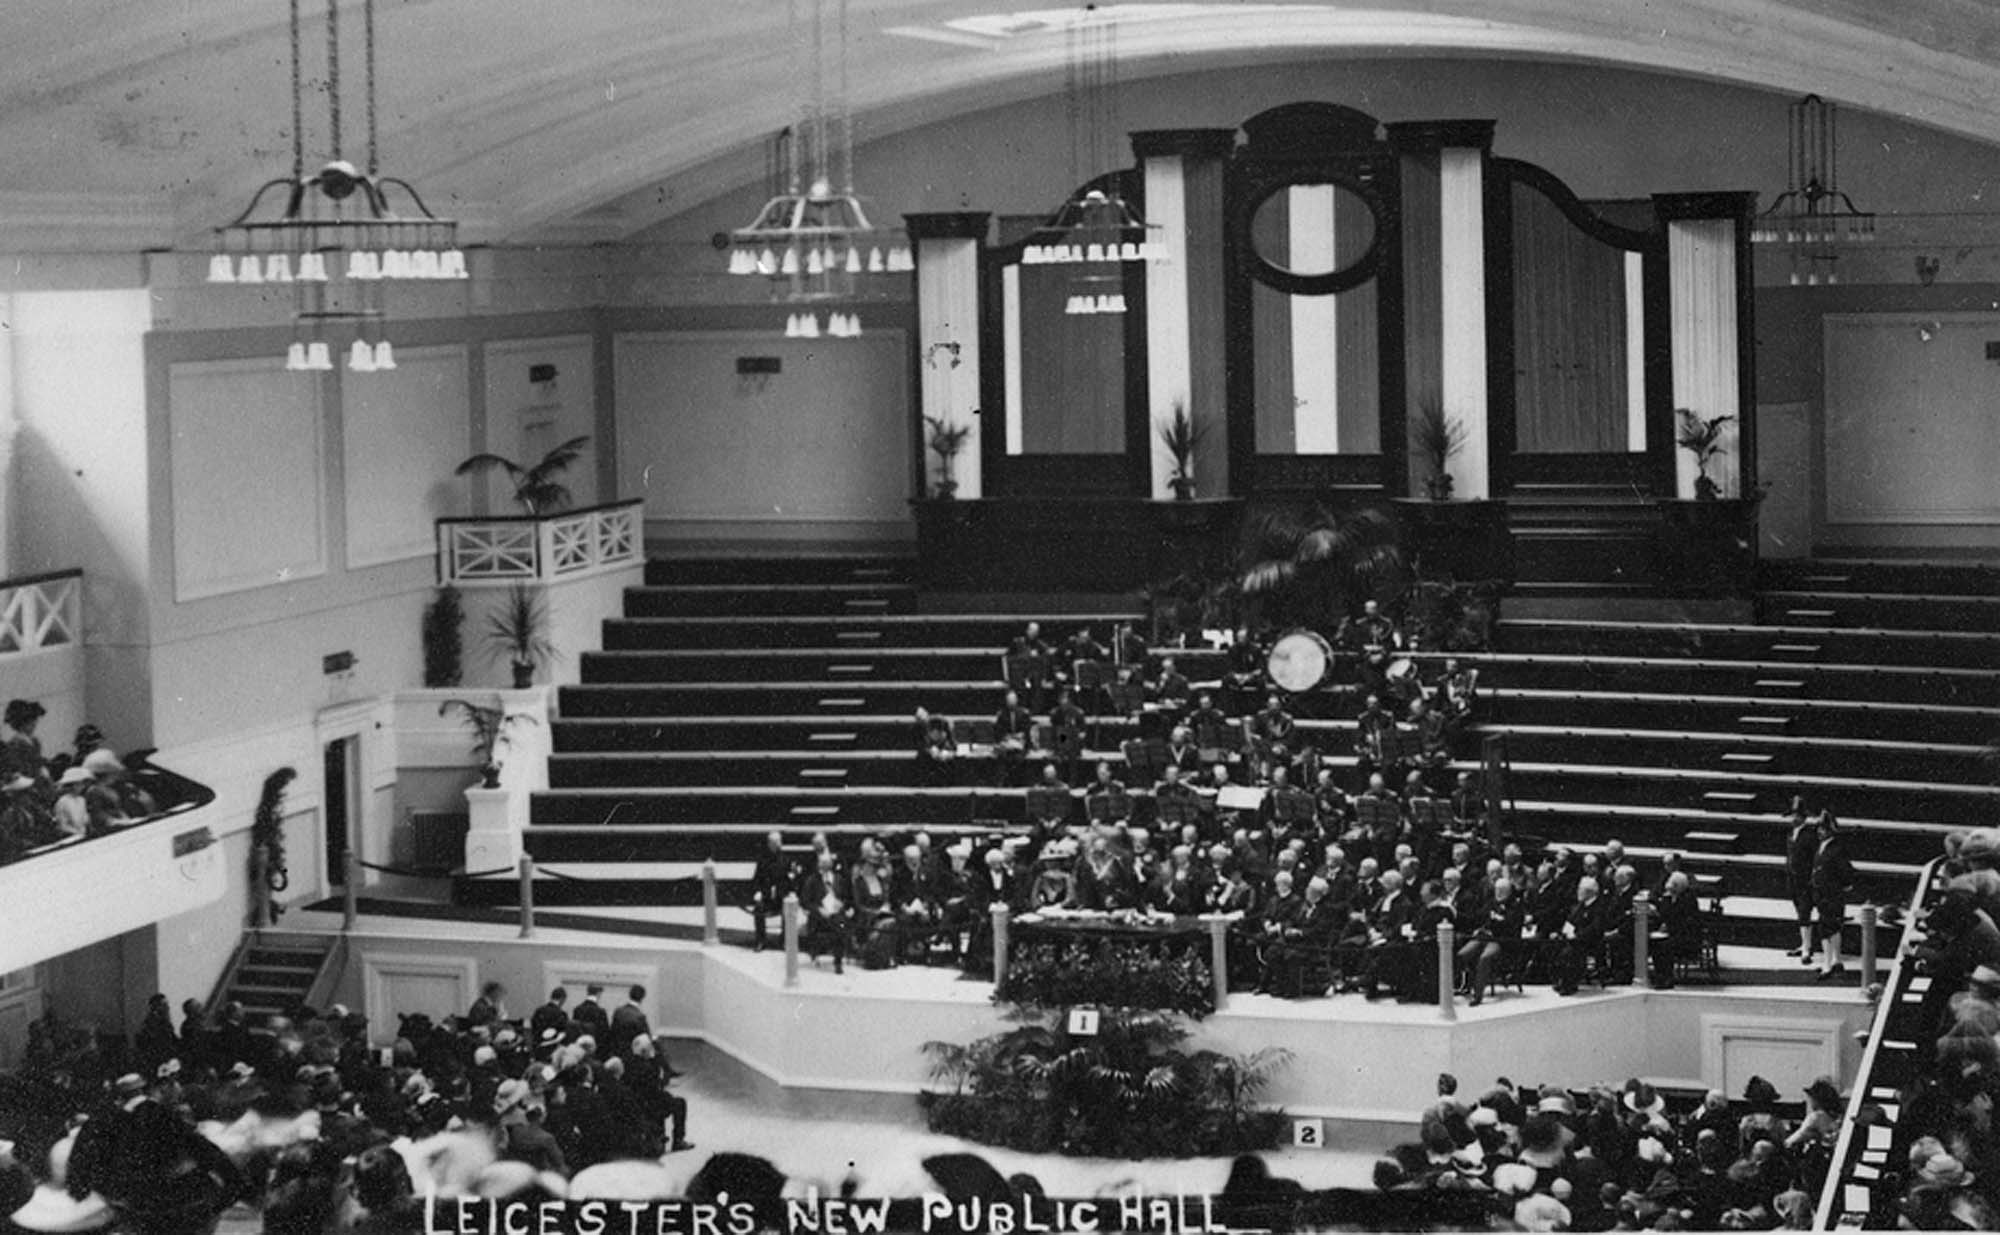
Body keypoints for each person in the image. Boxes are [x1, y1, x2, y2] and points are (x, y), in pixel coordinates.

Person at [1456, 877, 1522, 1006]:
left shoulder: (1515, 906)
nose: (1499, 893)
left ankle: (1478, 995)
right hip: (1484, 936)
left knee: (1485, 958)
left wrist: (1498, 920)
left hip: (1502, 941)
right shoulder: (1491, 903)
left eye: (1502, 890)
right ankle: (1463, 985)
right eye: (1497, 889)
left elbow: (1512, 927)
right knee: (1462, 954)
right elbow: (1480, 916)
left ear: (1509, 891)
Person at [1809, 809, 1854, 979]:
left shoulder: (1835, 849)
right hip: (1822, 892)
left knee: (1826, 928)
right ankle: (1836, 960)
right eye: (1819, 828)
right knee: (1832, 927)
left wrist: (1844, 886)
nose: (1819, 831)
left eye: (1823, 829)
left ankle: (1827, 964)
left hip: (1830, 893)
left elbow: (1846, 871)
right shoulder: (1824, 847)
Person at [1782, 796, 1817, 962]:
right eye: (1792, 815)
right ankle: (1804, 944)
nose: (1793, 818)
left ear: (1803, 817)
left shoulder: (1809, 835)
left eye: (1797, 815)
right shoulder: (1791, 834)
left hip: (1805, 880)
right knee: (1799, 911)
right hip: (1793, 879)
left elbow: (1813, 859)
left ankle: (1807, 948)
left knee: (1805, 912)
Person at [748, 831, 793, 952]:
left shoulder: (786, 859)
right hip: (766, 896)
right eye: (774, 842)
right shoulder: (762, 860)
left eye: (779, 841)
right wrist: (757, 892)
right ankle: (760, 940)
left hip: (780, 896)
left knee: (788, 908)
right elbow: (756, 879)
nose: (778, 844)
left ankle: (784, 940)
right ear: (769, 844)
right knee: (758, 909)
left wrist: (788, 893)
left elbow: (790, 881)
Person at [608, 986, 651, 1058]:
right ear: (642, 998)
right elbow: (646, 1038)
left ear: (630, 995)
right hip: (632, 1054)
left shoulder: (618, 1011)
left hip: (616, 1051)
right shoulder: (640, 1016)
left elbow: (612, 1031)